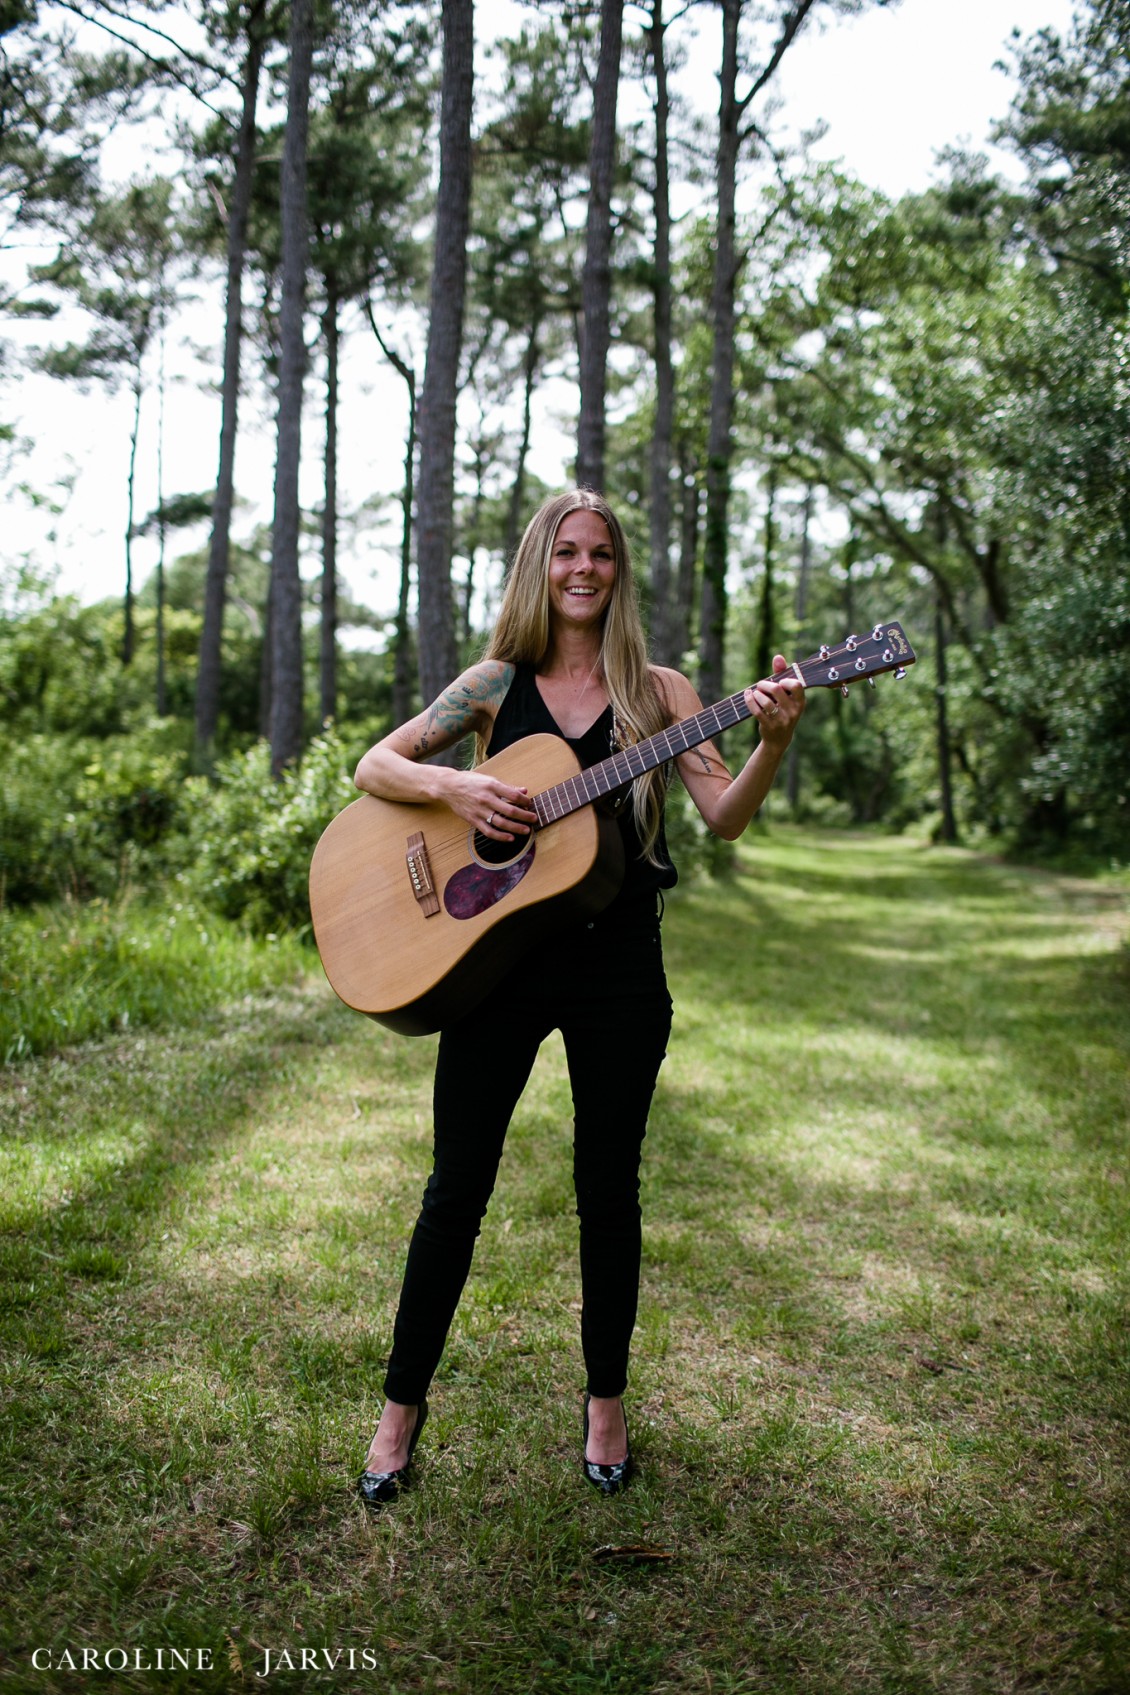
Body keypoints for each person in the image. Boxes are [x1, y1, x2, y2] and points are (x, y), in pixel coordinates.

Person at [352, 487, 805, 1506]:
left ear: (618, 571)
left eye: (601, 553)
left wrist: (773, 739)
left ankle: (604, 1401)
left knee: (608, 1192)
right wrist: (456, 790)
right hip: (494, 965)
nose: (583, 569)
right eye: (566, 552)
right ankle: (397, 1413)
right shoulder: (488, 683)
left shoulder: (659, 692)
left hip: (616, 968)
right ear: (538, 565)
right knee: (452, 1192)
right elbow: (372, 762)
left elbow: (721, 818)